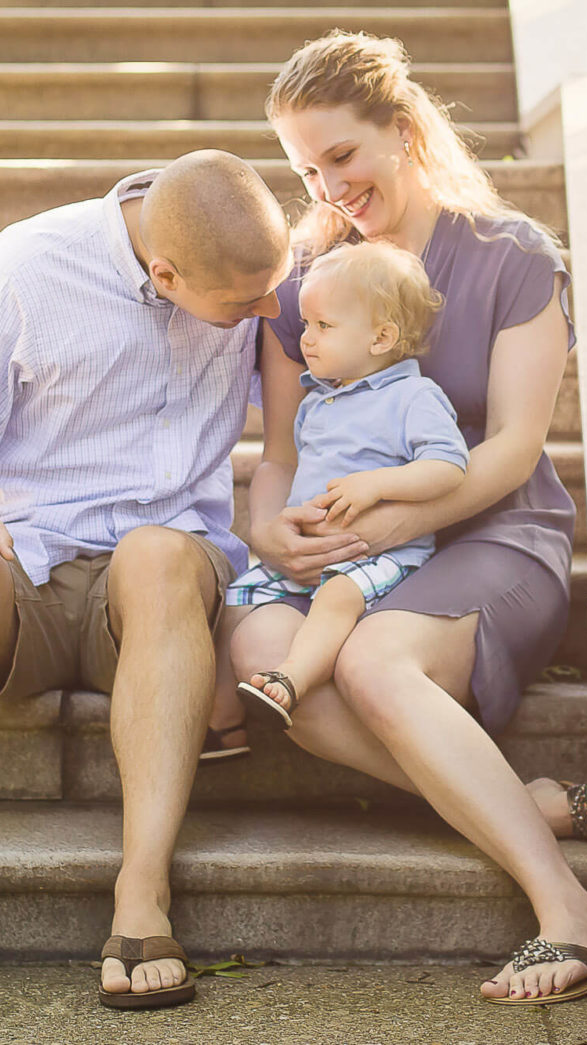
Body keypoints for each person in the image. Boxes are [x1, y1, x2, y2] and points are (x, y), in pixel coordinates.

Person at [217, 31, 587, 1006]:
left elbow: (506, 450)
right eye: (303, 168)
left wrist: (379, 522)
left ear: (403, 131)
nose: (326, 186)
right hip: (340, 553)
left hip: (493, 535)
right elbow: (281, 454)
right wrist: (267, 527)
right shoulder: (306, 285)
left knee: (370, 660)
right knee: (277, 667)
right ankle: (536, 803)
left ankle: (571, 916)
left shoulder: (512, 257)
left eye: (341, 156)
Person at [0, 150, 291, 1012]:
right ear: (166, 272)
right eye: (245, 305)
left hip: (162, 588)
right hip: (26, 568)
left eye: (272, 290)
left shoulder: (253, 274)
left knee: (160, 550)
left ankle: (142, 895)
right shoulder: (28, 268)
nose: (269, 312)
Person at [230, 241, 469, 728]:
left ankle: (292, 677)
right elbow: (292, 469)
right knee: (236, 597)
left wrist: (378, 484)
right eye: (306, 325)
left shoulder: (412, 396)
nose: (306, 340)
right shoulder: (319, 401)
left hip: (381, 555)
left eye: (324, 326)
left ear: (381, 337)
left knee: (339, 596)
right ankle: (222, 718)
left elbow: (449, 465)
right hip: (313, 551)